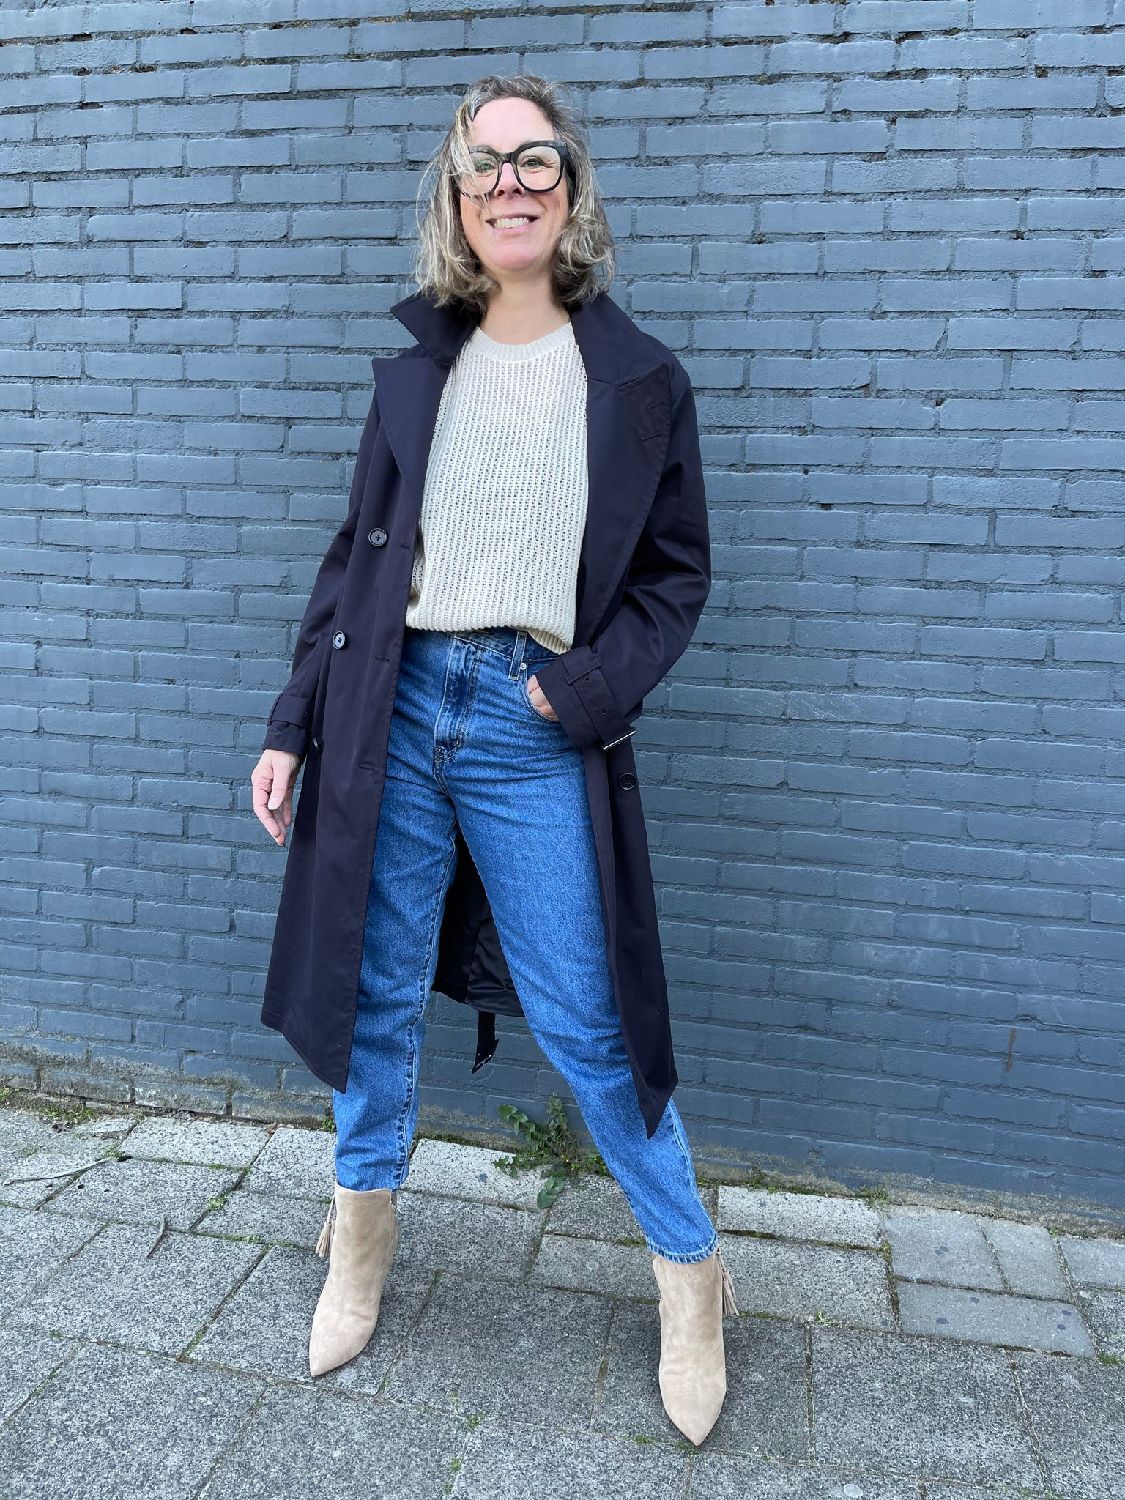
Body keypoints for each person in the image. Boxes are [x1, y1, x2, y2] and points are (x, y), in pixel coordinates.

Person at [250, 73, 737, 1446]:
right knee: (373, 993)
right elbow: (354, 562)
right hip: (392, 712)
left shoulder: (639, 383)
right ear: (456, 198)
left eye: (534, 160)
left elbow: (675, 580)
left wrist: (577, 691)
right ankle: (359, 1246)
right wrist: (291, 721)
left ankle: (691, 1274)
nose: (509, 185)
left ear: (570, 187)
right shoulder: (421, 368)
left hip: (530, 730)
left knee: (587, 1021)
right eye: (483, 165)